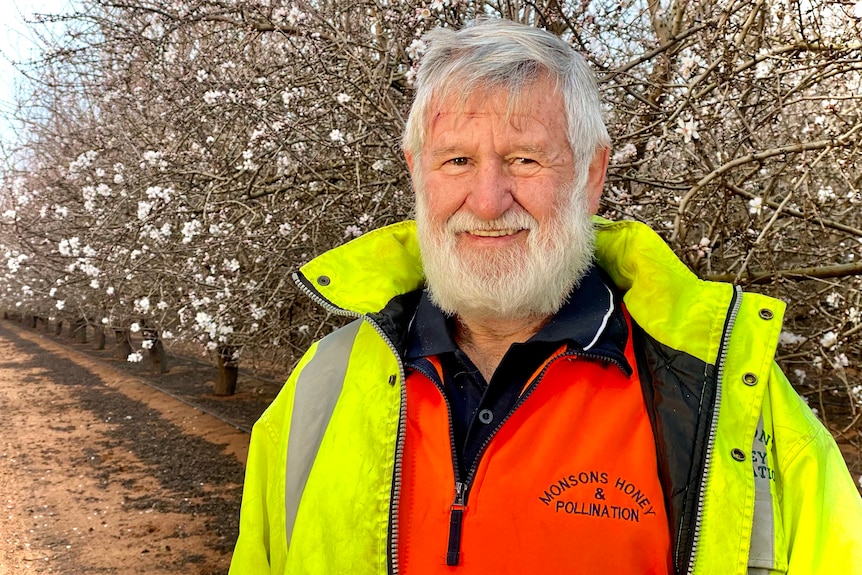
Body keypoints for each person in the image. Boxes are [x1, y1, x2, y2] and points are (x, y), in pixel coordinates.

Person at [229, 18, 862, 574]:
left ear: (591, 175)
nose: (487, 201)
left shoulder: (726, 399)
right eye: (455, 162)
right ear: (416, 170)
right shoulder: (321, 388)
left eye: (526, 160)